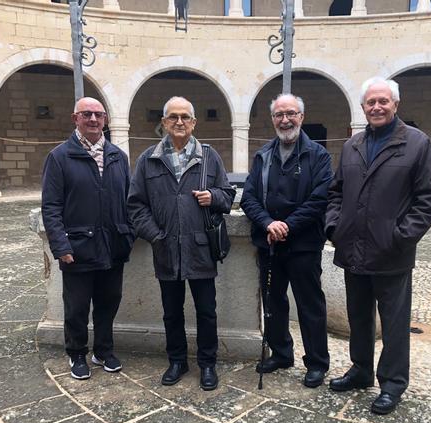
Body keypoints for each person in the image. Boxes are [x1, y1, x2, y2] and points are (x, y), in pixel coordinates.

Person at [326, 77, 431, 414]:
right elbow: (335, 192)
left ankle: (392, 384)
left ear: (395, 105)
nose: (376, 107)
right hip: (352, 250)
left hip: (392, 253)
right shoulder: (353, 145)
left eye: (383, 102)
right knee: (358, 317)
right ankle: (360, 370)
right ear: (363, 108)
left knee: (393, 324)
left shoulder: (417, 144)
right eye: (370, 103)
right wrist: (334, 227)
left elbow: (430, 200)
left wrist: (400, 236)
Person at [128, 96, 234, 391]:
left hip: (200, 248)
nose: (179, 122)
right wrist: (155, 235)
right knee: (171, 311)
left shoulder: (210, 156)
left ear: (193, 122)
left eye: (185, 117)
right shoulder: (148, 159)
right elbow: (135, 205)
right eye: (173, 117)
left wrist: (213, 197)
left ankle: (208, 364)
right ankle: (177, 361)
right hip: (166, 249)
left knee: (206, 311)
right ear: (163, 123)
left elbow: (227, 195)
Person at [240, 93, 332, 388]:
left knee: (309, 305)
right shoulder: (263, 155)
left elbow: (320, 199)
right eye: (279, 115)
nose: (285, 119)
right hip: (269, 242)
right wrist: (268, 223)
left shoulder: (319, 155)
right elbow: (249, 197)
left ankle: (317, 363)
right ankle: (282, 353)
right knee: (273, 302)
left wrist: (287, 226)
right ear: (273, 120)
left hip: (303, 244)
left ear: (301, 117)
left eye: (291, 113)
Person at [42, 97, 134, 380]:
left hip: (112, 246)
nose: (93, 119)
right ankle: (77, 354)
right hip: (77, 248)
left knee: (109, 302)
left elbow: (129, 200)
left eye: (98, 114)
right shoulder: (60, 157)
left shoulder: (118, 156)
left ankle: (103, 350)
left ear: (105, 119)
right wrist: (61, 246)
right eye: (87, 114)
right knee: (77, 306)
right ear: (75, 119)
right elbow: (51, 207)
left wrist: (128, 235)